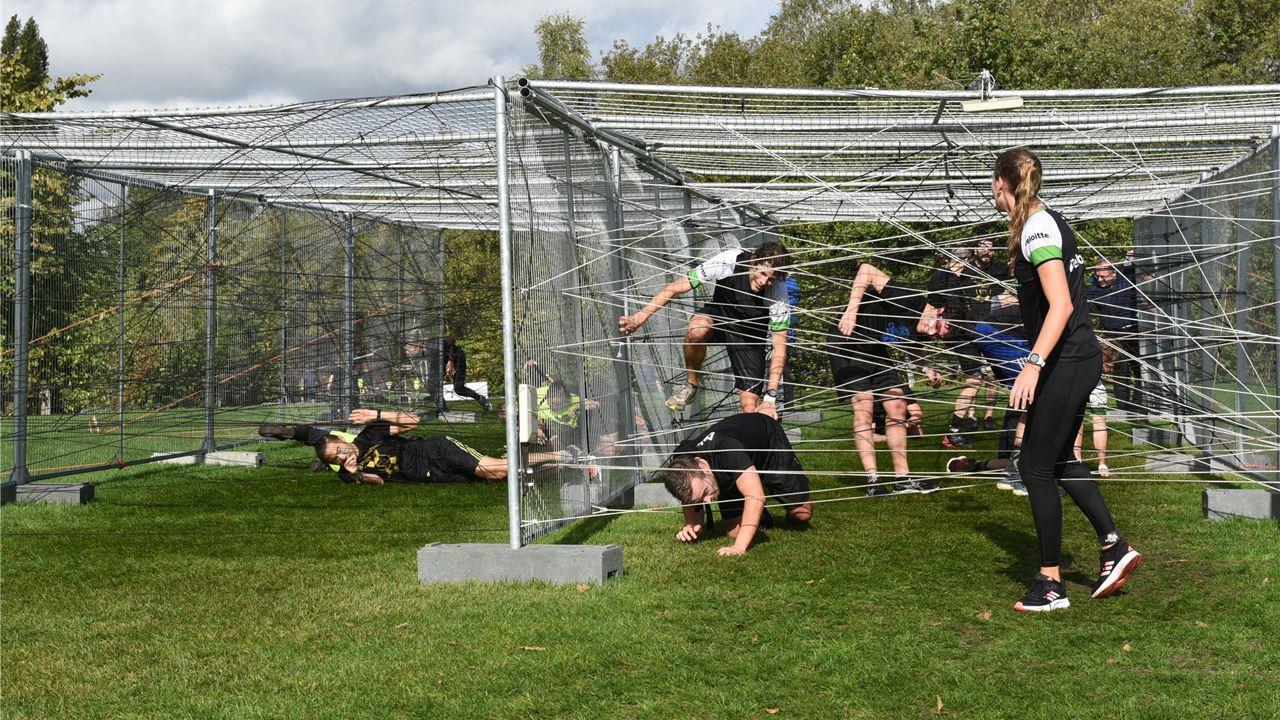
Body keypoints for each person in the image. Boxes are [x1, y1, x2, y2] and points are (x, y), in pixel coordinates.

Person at [991, 147, 1141, 612]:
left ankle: (1051, 583)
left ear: (1003, 183)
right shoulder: (1043, 222)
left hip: (1066, 361)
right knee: (1056, 460)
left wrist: (1032, 364)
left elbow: (1061, 304)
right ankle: (1114, 545)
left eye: (992, 183)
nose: (991, 192)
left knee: (1034, 466)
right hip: (1075, 358)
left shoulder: (1037, 228)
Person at [618, 242, 791, 417]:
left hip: (750, 334)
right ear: (753, 261)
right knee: (697, 328)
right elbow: (676, 287)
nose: (764, 282)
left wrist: (770, 398)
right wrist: (640, 316)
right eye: (762, 273)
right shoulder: (729, 260)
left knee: (749, 410)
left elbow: (780, 347)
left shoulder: (778, 293)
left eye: (771, 279)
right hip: (720, 315)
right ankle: (691, 385)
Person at [833, 262, 945, 496]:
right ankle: (873, 480)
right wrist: (851, 311)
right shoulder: (909, 298)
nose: (931, 332)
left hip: (876, 350)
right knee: (864, 408)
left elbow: (910, 345)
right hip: (848, 343)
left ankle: (902, 478)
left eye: (937, 336)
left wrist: (926, 368)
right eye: (936, 326)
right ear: (938, 310)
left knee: (897, 405)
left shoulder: (924, 329)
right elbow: (866, 269)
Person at [258, 409, 578, 484]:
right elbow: (378, 481)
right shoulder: (347, 473)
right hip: (433, 475)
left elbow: (414, 422)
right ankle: (561, 465)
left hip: (434, 450)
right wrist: (355, 474)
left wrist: (377, 414)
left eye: (340, 451)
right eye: (337, 459)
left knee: (493, 469)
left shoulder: (369, 435)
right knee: (499, 476)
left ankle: (564, 455)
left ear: (342, 440)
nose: (343, 457)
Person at [661, 413, 813, 557]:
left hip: (768, 441)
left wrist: (738, 548)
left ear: (702, 467)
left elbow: (756, 497)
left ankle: (759, 489)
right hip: (727, 471)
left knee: (802, 514)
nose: (708, 501)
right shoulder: (681, 463)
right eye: (700, 499)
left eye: (705, 493)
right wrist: (691, 524)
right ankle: (758, 509)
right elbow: (689, 497)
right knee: (734, 533)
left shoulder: (727, 450)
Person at [1087, 259, 1139, 413]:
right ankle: (1122, 407)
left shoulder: (1126, 280)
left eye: (1103, 276)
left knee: (1139, 369)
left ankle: (1138, 404)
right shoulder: (1094, 289)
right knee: (1120, 371)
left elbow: (1138, 269)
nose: (1100, 280)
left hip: (1132, 331)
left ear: (1114, 273)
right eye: (1098, 276)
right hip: (1112, 334)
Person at [441, 336, 491, 413]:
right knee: (432, 386)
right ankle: (443, 409)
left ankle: (481, 399)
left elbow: (451, 339)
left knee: (459, 389)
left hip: (457, 359)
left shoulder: (435, 340)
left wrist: (450, 360)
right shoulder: (425, 352)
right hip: (443, 361)